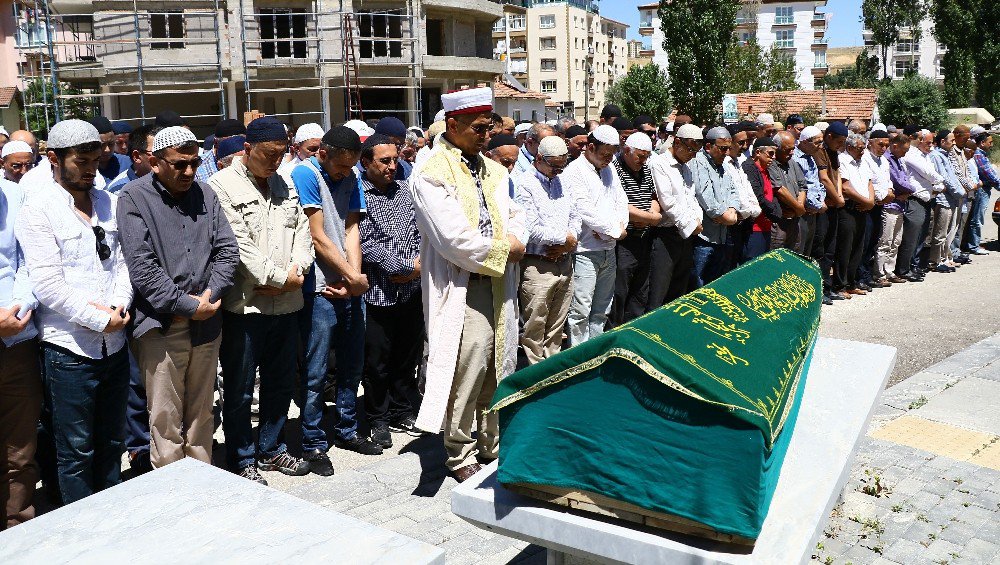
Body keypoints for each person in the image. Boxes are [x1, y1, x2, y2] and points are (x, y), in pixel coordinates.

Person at [409, 87, 526, 482]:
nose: (486, 135)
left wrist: (517, 240)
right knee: (467, 367)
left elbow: (515, 213)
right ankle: (459, 452)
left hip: (499, 284)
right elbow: (453, 239)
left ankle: (493, 441)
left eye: (489, 127)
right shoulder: (430, 171)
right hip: (462, 285)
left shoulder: (493, 168)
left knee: (500, 364)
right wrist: (504, 249)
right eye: (478, 128)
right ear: (453, 125)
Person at [16, 119, 133, 504]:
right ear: (53, 158)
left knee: (112, 439)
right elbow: (47, 284)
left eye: (95, 160)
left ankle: (112, 515)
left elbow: (122, 265)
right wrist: (100, 318)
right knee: (75, 451)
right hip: (69, 349)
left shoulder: (109, 203)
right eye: (80, 161)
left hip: (114, 345)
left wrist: (120, 306)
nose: (89, 169)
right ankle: (82, 534)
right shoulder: (38, 210)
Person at [117, 126, 239, 469]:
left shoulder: (206, 194)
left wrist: (208, 297)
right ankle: (172, 497)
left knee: (202, 412)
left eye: (194, 163)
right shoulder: (134, 197)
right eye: (180, 165)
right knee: (165, 418)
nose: (188, 172)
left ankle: (201, 484)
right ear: (155, 162)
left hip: (207, 319)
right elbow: (142, 267)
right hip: (162, 325)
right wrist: (187, 306)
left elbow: (228, 251)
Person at [211, 117, 313, 485]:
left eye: (281, 155)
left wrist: (297, 271)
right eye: (268, 155)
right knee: (238, 389)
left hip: (286, 304)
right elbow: (236, 244)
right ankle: (241, 457)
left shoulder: (284, 183)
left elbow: (302, 231)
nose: (274, 163)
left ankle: (271, 449)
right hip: (246, 306)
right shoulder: (220, 186)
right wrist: (277, 277)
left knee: (280, 382)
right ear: (248, 150)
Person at [292, 126, 382, 466]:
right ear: (323, 154)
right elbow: (318, 236)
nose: (346, 174)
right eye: (341, 167)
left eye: (351, 167)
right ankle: (313, 439)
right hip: (319, 287)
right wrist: (350, 276)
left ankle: (347, 429)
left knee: (351, 365)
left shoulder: (352, 174)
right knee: (315, 372)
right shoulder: (305, 173)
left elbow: (350, 228)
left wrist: (355, 280)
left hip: (348, 284)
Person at [356, 134, 423, 448]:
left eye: (395, 160)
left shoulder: (404, 191)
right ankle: (377, 418)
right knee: (377, 361)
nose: (392, 167)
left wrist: (416, 266)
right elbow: (363, 243)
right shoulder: (359, 194)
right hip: (378, 293)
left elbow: (420, 231)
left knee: (406, 356)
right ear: (366, 162)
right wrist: (399, 267)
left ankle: (401, 409)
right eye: (384, 161)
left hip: (410, 291)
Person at [562, 125, 628, 345]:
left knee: (602, 309)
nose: (609, 159)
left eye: (611, 154)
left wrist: (617, 230)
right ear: (590, 147)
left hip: (609, 250)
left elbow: (621, 201)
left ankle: (595, 350)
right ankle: (579, 356)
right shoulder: (574, 171)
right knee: (580, 309)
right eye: (604, 154)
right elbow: (584, 209)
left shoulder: (609, 169)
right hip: (585, 251)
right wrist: (612, 230)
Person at [515, 136, 578, 364]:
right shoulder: (524, 184)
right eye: (554, 166)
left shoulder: (563, 180)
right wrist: (565, 239)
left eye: (562, 166)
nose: (558, 171)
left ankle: (552, 368)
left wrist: (568, 243)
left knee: (557, 325)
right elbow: (530, 229)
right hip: (537, 264)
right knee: (535, 325)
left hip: (563, 262)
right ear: (539, 158)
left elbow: (575, 215)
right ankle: (535, 373)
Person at [0, 171, 40, 528]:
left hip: (16, 339)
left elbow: (29, 262)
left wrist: (20, 307)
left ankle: (18, 525)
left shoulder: (16, 197)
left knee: (20, 447)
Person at [646, 124, 703, 308]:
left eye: (696, 151)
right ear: (677, 142)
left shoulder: (685, 167)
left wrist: (697, 220)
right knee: (659, 292)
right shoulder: (659, 164)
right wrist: (690, 225)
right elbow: (668, 202)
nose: (693, 155)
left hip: (685, 236)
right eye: (691, 149)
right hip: (665, 237)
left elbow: (691, 198)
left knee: (678, 290)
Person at [609, 132, 660, 326]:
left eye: (646, 156)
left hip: (644, 239)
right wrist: (648, 217)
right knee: (620, 292)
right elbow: (619, 205)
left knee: (640, 291)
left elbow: (654, 197)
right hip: (624, 241)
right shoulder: (615, 169)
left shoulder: (645, 169)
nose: (643, 160)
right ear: (627, 151)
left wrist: (651, 215)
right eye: (640, 156)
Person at [690, 127, 740, 287]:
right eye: (722, 148)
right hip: (704, 236)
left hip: (722, 235)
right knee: (698, 282)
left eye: (728, 148)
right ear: (708, 146)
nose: (726, 153)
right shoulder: (698, 163)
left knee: (715, 282)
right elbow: (706, 198)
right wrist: (724, 216)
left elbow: (733, 191)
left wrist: (732, 211)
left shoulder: (723, 166)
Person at [835, 132, 876, 296]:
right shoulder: (843, 160)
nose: (863, 151)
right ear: (849, 147)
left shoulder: (863, 161)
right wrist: (866, 202)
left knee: (858, 247)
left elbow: (869, 183)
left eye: (864, 148)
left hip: (864, 208)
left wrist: (870, 201)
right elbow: (845, 187)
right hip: (849, 208)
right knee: (845, 247)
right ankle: (840, 285)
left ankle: (851, 282)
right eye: (859, 148)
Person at [900, 128, 944, 277]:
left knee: (921, 236)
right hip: (915, 199)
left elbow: (934, 178)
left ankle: (915, 265)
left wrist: (938, 184)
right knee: (911, 237)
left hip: (927, 198)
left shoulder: (925, 155)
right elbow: (928, 173)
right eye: (927, 142)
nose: (930, 146)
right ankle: (904, 269)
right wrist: (939, 182)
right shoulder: (911, 154)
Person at [812, 122, 848, 301]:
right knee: (820, 249)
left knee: (830, 249)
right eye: (839, 141)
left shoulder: (834, 153)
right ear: (829, 136)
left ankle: (827, 287)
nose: (841, 145)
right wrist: (837, 198)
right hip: (824, 206)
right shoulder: (820, 151)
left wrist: (839, 195)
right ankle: (818, 289)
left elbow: (837, 175)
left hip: (834, 204)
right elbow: (824, 178)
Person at [740, 137, 785, 261]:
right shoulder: (749, 168)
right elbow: (757, 197)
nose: (774, 157)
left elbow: (770, 194)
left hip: (765, 226)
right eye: (771, 153)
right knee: (752, 266)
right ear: (758, 152)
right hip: (754, 228)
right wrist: (775, 213)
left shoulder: (765, 170)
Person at [859, 129, 894, 288]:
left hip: (880, 205)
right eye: (881, 144)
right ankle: (860, 276)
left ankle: (867, 274)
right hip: (868, 205)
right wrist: (881, 196)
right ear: (870, 142)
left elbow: (888, 182)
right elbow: (869, 182)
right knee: (864, 242)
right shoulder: (865, 159)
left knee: (874, 241)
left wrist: (890, 193)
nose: (884, 148)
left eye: (887, 145)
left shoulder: (884, 161)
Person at [880, 134, 917, 283]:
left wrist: (908, 190)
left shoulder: (899, 160)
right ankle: (880, 273)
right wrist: (912, 189)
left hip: (900, 205)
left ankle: (890, 271)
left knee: (896, 241)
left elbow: (905, 180)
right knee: (885, 241)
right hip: (890, 205)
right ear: (895, 146)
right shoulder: (888, 159)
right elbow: (898, 182)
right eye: (904, 150)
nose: (905, 153)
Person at [927, 130, 964, 273]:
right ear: (943, 141)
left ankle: (943, 259)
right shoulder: (936, 156)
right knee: (940, 233)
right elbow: (945, 178)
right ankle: (935, 261)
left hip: (951, 199)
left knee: (947, 231)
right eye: (952, 140)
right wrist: (959, 192)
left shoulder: (945, 155)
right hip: (943, 199)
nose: (954, 143)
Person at [768, 131, 808, 252]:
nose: (791, 153)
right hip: (780, 221)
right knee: (777, 255)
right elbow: (779, 189)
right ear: (777, 148)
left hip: (795, 219)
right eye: (787, 150)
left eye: (793, 149)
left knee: (794, 255)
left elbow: (802, 186)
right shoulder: (771, 164)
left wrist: (799, 207)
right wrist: (799, 209)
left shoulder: (792, 163)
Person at [794, 125, 828, 264]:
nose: (820, 146)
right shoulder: (796, 159)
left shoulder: (811, 157)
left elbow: (816, 182)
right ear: (804, 142)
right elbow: (802, 186)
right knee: (799, 251)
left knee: (808, 251)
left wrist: (821, 202)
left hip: (814, 209)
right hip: (804, 210)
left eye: (821, 142)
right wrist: (814, 204)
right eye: (817, 142)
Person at [963, 128, 998, 255]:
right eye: (990, 142)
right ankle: (973, 245)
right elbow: (988, 174)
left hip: (984, 189)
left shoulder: (981, 154)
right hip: (981, 190)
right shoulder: (978, 155)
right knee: (977, 219)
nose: (991, 144)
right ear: (982, 143)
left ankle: (972, 243)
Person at [106, 124, 160, 193]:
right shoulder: (120, 191)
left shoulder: (170, 180)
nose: (124, 147)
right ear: (137, 156)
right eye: (156, 152)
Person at [196, 119, 247, 184]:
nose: (235, 146)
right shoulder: (198, 167)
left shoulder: (251, 160)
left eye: (240, 141)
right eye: (228, 143)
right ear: (215, 142)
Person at [89, 116, 133, 185]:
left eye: (111, 144)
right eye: (102, 145)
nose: (107, 150)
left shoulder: (127, 163)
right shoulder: (85, 169)